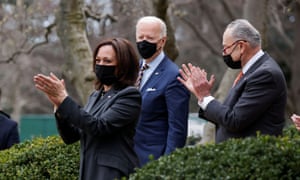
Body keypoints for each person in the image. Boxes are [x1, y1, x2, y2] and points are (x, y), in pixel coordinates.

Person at [33, 38, 141, 180]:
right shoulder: (95, 96)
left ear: (123, 65)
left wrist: (65, 99)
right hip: (89, 170)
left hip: (111, 173)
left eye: (107, 61)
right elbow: (72, 136)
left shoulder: (129, 96)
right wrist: (59, 108)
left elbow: (99, 127)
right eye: (98, 61)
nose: (101, 65)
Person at [178, 19, 287, 143]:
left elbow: (235, 121)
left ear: (241, 46)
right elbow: (229, 116)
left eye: (226, 48)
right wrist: (202, 96)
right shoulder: (251, 71)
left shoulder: (265, 74)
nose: (224, 53)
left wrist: (206, 96)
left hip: (253, 157)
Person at [133, 16, 190, 166]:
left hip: (152, 162)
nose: (144, 42)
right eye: (140, 37)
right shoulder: (132, 70)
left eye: (150, 38)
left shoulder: (173, 76)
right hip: (126, 160)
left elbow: (177, 130)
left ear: (162, 41)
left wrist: (165, 166)